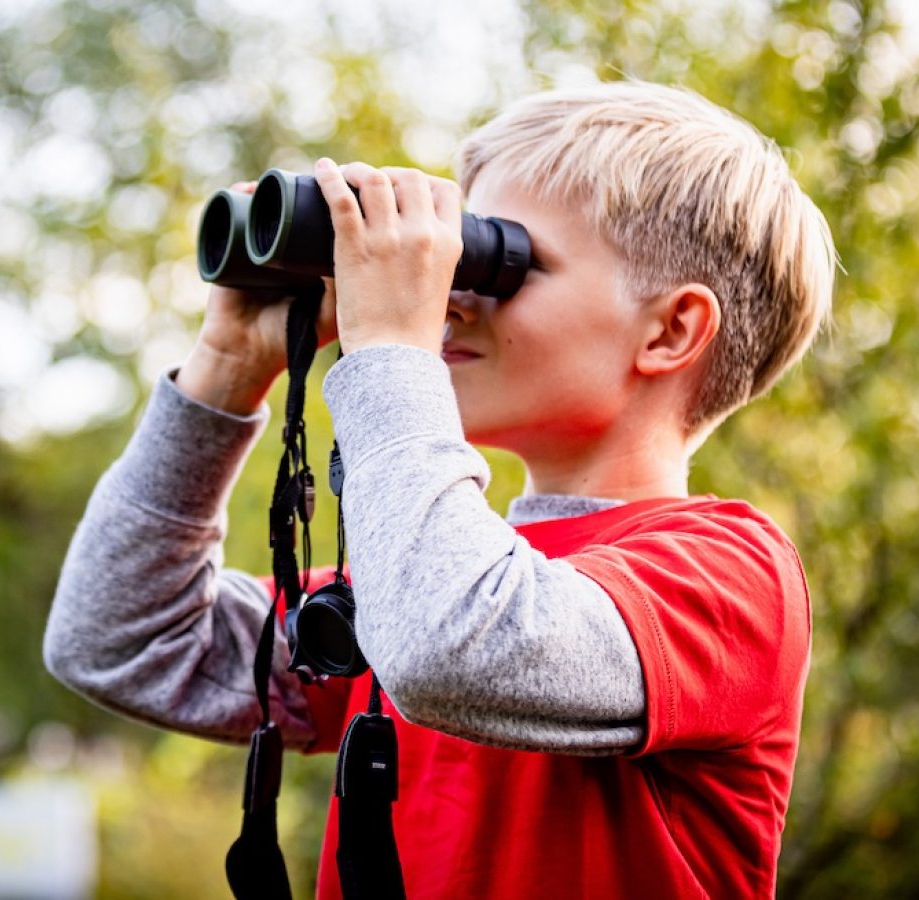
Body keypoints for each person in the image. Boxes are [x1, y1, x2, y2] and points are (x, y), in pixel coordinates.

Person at [43, 80, 835, 898]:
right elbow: (122, 641)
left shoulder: (733, 576)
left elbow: (448, 642)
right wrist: (229, 366)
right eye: (452, 257)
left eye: (498, 259)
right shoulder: (415, 576)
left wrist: (392, 347)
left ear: (671, 330)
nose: (450, 299)